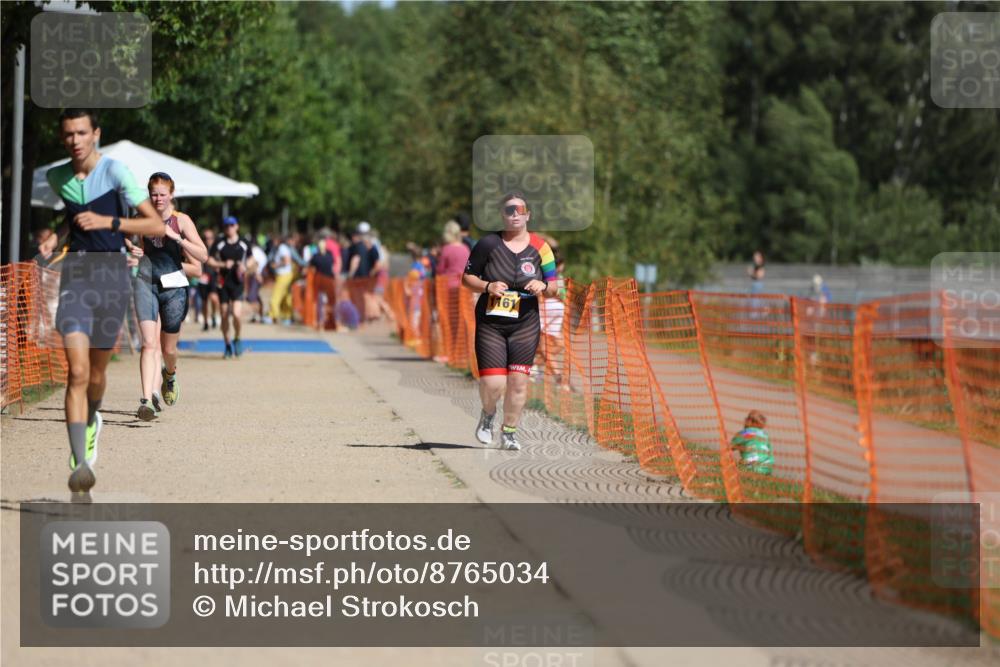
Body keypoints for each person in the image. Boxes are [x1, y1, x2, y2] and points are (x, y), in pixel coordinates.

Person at [46, 109, 163, 493]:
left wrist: (109, 223)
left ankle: (93, 419)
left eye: (81, 133)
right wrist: (57, 237)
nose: (74, 140)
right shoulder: (57, 176)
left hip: (112, 278)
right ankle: (80, 465)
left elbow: (155, 225)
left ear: (95, 134)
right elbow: (77, 219)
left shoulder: (115, 173)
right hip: (76, 279)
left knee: (97, 374)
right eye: (68, 134)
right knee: (76, 372)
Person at [462, 192, 559, 451]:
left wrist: (543, 284)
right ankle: (488, 415)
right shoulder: (487, 244)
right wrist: (487, 286)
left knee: (518, 382)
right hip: (491, 323)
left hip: (525, 324)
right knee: (493, 383)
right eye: (509, 210)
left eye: (519, 210)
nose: (514, 214)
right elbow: (466, 278)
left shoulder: (541, 248)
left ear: (528, 214)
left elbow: (554, 288)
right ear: (502, 215)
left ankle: (509, 432)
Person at [128, 172, 208, 420]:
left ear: (171, 195)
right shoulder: (141, 219)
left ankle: (169, 375)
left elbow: (202, 258)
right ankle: (147, 400)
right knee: (149, 343)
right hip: (146, 283)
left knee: (168, 349)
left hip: (174, 288)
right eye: (154, 194)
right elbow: (130, 243)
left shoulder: (181, 221)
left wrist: (178, 239)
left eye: (162, 194)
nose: (158, 198)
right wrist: (133, 251)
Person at [208, 216, 249, 357]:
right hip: (223, 282)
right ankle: (227, 345)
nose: (229, 228)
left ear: (237, 226)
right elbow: (209, 260)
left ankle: (237, 337)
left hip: (237, 283)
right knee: (224, 315)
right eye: (226, 226)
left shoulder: (244, 243)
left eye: (231, 225)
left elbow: (253, 260)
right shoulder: (219, 242)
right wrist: (223, 265)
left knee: (237, 314)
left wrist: (245, 266)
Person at [308, 232, 339, 330]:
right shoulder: (328, 255)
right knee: (326, 302)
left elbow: (311, 267)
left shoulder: (316, 256)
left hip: (321, 281)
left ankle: (322, 321)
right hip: (328, 280)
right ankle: (325, 321)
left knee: (322, 303)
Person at [729, 410, 774, 476]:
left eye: (746, 419)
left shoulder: (745, 433)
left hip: (751, 467)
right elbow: (770, 453)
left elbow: (729, 448)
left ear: (750, 421)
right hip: (767, 468)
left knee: (733, 466)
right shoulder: (765, 435)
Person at [269, 234, 297, 325]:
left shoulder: (282, 248)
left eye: (274, 241)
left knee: (275, 296)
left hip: (283, 275)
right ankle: (287, 316)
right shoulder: (283, 248)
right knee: (286, 296)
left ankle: (273, 315)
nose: (273, 243)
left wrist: (275, 265)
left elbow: (287, 261)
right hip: (286, 275)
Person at [198, 228, 220, 330]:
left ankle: (214, 315)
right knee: (204, 301)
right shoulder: (200, 247)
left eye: (210, 238)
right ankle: (206, 322)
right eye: (205, 238)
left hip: (214, 277)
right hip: (203, 277)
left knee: (214, 299)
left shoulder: (217, 249)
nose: (208, 240)